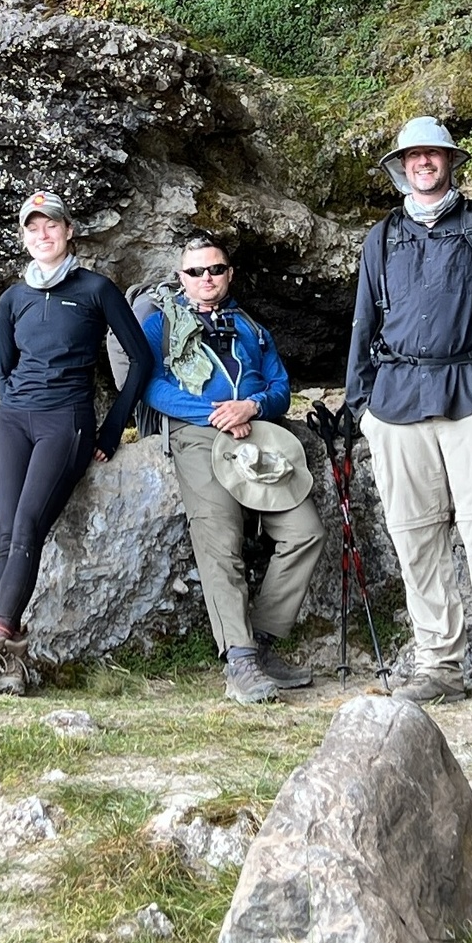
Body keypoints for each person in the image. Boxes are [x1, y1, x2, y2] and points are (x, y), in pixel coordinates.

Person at [340, 116, 472, 712]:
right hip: (397, 401)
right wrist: (362, 404)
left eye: (432, 154)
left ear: (449, 161)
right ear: (401, 167)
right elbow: (363, 322)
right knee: (415, 538)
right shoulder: (381, 238)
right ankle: (439, 664)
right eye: (412, 157)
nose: (422, 164)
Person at [0, 192, 159, 696]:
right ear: (24, 237)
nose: (41, 235)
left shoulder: (95, 289)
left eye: (50, 226)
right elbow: (4, 371)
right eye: (32, 228)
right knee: (7, 531)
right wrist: (14, 408)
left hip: (65, 421)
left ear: (69, 231)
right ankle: (11, 662)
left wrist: (112, 429)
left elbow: (140, 360)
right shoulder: (12, 299)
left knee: (27, 524)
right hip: (13, 421)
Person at [135, 233, 325, 704]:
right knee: (219, 536)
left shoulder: (252, 329)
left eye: (215, 269)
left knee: (305, 531)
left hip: (256, 430)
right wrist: (218, 413)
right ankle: (239, 662)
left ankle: (259, 642)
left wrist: (253, 406)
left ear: (229, 274)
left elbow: (281, 387)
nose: (207, 279)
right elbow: (150, 385)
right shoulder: (160, 324)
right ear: (182, 278)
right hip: (198, 433)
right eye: (196, 272)